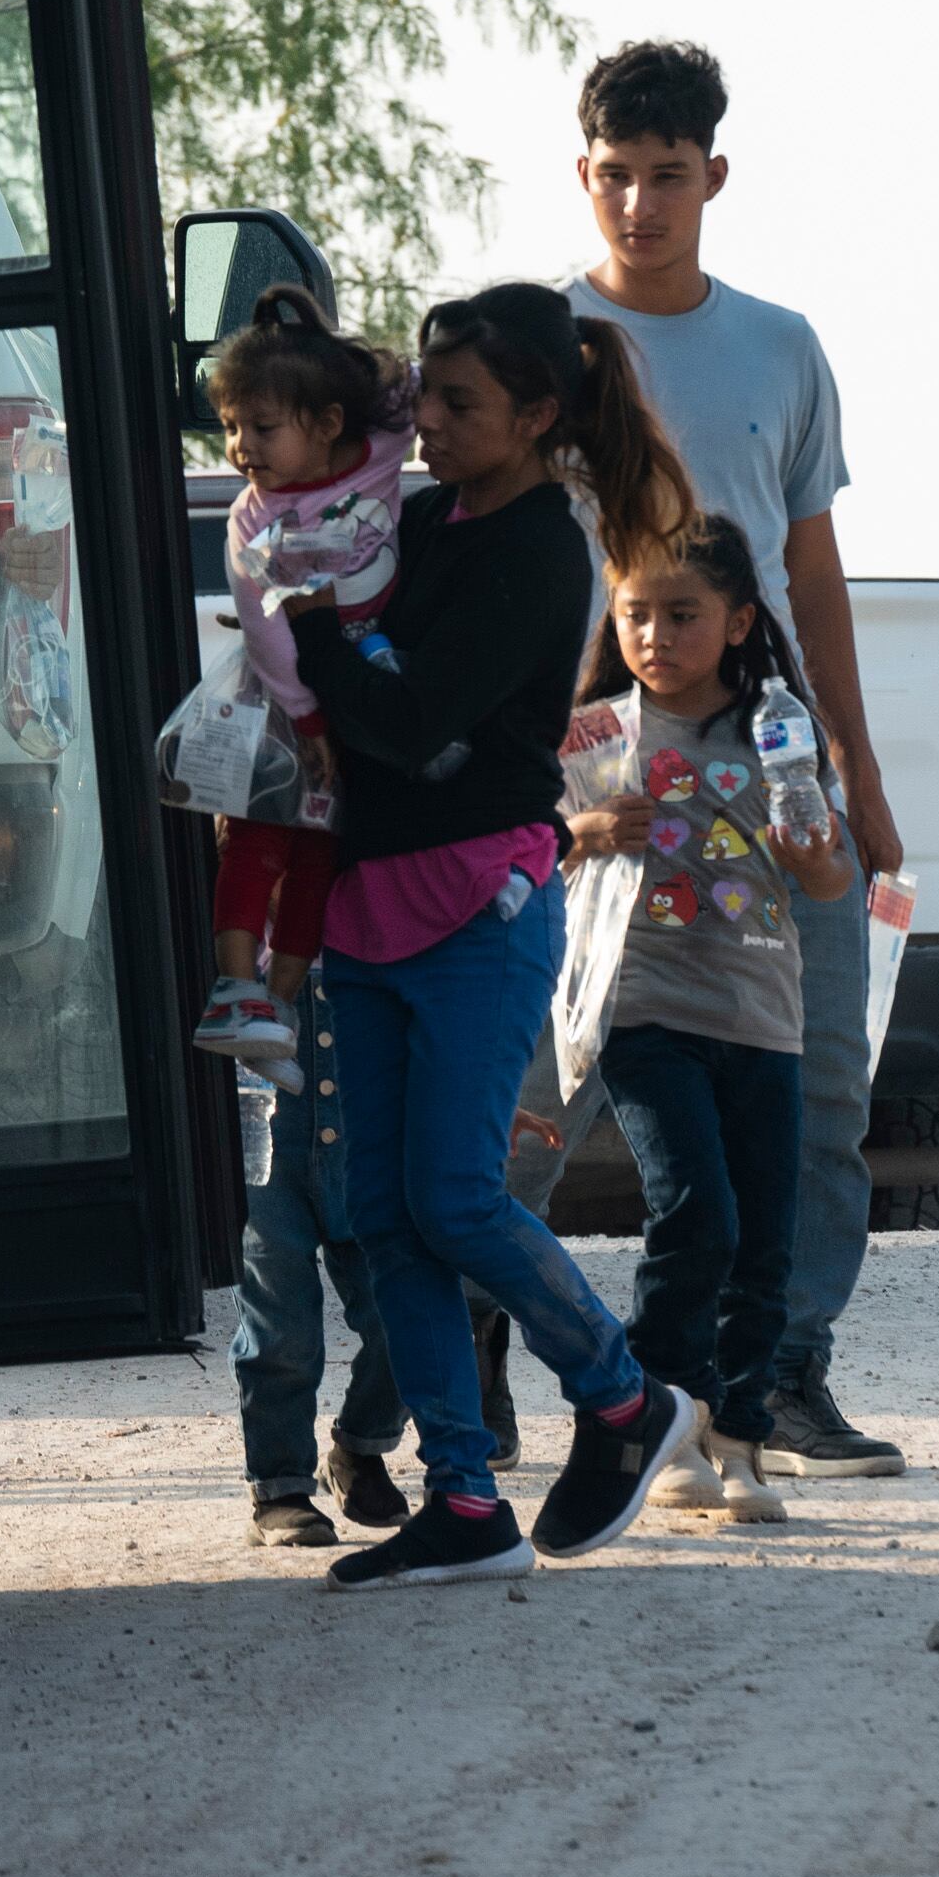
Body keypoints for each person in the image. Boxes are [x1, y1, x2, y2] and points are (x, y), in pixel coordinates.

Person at [291, 284, 705, 1589]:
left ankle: (626, 1396)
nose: (433, 427)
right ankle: (462, 1497)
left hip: (479, 910)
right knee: (387, 1214)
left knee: (458, 1194)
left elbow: (405, 721)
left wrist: (309, 627)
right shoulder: (416, 523)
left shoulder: (542, 548)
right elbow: (360, 686)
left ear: (536, 413)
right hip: (366, 905)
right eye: (427, 397)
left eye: (462, 404)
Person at [563, 38, 908, 1480]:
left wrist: (858, 768)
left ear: (715, 175)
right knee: (544, 1083)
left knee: (819, 1081)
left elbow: (812, 570)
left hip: (770, 763)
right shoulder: (543, 342)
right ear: (583, 175)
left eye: (667, 175)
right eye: (616, 176)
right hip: (595, 762)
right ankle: (482, 1380)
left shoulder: (781, 346)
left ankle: (782, 1374)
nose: (641, 203)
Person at [552, 518, 841, 1520]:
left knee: (763, 1235)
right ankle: (659, 1417)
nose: (655, 633)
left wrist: (806, 845)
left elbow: (828, 869)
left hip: (761, 1013)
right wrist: (583, 829)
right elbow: (533, 850)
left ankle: (740, 1440)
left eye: (682, 614)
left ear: (738, 620)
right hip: (643, 1009)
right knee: (694, 1209)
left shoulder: (776, 729)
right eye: (636, 612)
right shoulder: (596, 730)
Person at [191, 287, 411, 1066]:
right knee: (257, 837)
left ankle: (280, 1006)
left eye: (262, 427)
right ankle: (234, 990)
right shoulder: (251, 518)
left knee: (322, 852)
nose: (243, 447)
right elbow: (265, 629)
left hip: (354, 690)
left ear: (326, 425)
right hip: (286, 704)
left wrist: (325, 341)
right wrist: (310, 720)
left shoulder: (381, 452)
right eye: (231, 428)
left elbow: (409, 385)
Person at [235, 984, 410, 1544]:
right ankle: (280, 1484)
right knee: (281, 1324)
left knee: (403, 1310)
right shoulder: (241, 938)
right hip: (264, 1143)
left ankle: (360, 1446)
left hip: (370, 1141)